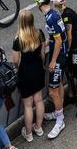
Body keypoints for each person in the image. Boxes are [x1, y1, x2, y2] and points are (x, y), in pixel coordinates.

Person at [33, 0, 67, 139]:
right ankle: (59, 112)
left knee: (53, 91)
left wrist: (53, 61)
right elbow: (56, 37)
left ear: (39, 4)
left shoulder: (50, 18)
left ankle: (60, 120)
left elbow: (59, 41)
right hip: (61, 53)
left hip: (58, 56)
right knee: (58, 85)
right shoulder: (53, 13)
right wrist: (46, 42)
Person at [11, 10, 45, 142]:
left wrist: (18, 69)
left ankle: (29, 133)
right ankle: (39, 127)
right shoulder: (39, 33)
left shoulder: (18, 39)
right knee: (39, 100)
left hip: (25, 71)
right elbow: (42, 54)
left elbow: (15, 60)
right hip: (38, 69)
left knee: (28, 105)